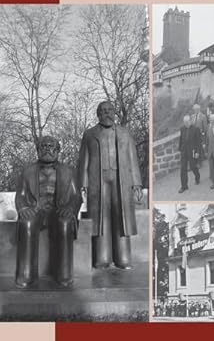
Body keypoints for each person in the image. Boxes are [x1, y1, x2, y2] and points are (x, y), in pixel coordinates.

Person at [78, 101, 143, 269]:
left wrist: (137, 183)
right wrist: (82, 184)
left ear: (114, 113)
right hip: (97, 179)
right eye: (103, 111)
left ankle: (123, 258)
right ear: (98, 114)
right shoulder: (89, 134)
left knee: (121, 216)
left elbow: (132, 159)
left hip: (121, 178)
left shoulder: (124, 133)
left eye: (110, 110)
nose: (107, 113)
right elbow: (83, 161)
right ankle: (102, 257)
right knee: (100, 217)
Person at [15, 136, 81, 288]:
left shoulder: (69, 171)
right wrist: (23, 208)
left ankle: (64, 274)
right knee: (27, 223)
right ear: (38, 150)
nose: (47, 149)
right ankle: (26, 274)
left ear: (58, 150)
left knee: (65, 223)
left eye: (51, 146)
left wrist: (70, 208)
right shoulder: (27, 171)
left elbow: (76, 196)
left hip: (59, 209)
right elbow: (21, 195)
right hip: (36, 209)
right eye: (43, 146)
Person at [178, 115, 201, 193]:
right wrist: (180, 149)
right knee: (183, 169)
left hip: (192, 151)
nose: (186, 123)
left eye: (187, 122)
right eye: (184, 122)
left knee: (193, 166)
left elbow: (198, 142)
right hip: (184, 151)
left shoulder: (196, 129)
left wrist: (197, 152)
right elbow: (181, 139)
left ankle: (197, 177)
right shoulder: (182, 129)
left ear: (190, 121)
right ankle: (184, 186)